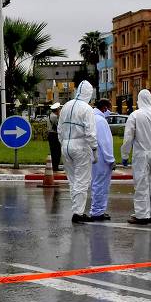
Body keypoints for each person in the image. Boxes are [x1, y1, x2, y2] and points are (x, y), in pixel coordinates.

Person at [121, 89, 151, 225]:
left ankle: (142, 215)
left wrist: (125, 154)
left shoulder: (135, 115)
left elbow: (128, 137)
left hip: (142, 154)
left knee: (141, 184)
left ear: (139, 100)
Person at [57, 80, 98, 223]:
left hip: (66, 146)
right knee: (82, 180)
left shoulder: (66, 106)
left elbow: (60, 129)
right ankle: (78, 213)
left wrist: (63, 143)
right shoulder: (87, 109)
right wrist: (94, 149)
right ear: (89, 93)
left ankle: (76, 209)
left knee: (73, 180)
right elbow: (90, 133)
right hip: (80, 146)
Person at [90, 101, 115, 221]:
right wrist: (111, 159)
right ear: (105, 108)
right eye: (109, 109)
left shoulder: (93, 118)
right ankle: (97, 211)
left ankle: (98, 210)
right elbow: (105, 142)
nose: (110, 112)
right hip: (102, 158)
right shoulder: (100, 121)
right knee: (101, 184)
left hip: (95, 156)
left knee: (97, 183)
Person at [47, 102, 62, 172]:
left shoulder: (50, 115)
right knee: (57, 151)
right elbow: (59, 125)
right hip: (54, 135)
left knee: (54, 151)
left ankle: (55, 166)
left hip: (51, 135)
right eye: (59, 109)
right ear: (56, 110)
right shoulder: (54, 117)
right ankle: (55, 167)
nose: (60, 110)